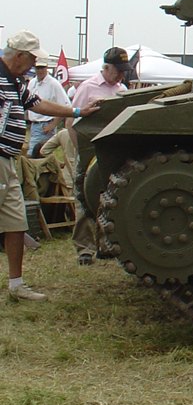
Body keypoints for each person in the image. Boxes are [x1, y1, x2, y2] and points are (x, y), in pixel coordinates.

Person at [1, 30, 100, 301]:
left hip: (8, 159)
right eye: (32, 60)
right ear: (20, 56)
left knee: (16, 222)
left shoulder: (16, 81)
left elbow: (39, 104)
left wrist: (77, 112)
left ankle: (16, 285)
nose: (34, 65)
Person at [70, 46, 130, 265]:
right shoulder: (88, 88)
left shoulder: (121, 89)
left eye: (124, 70)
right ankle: (84, 248)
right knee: (85, 196)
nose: (122, 74)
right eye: (119, 70)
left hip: (111, 153)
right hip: (89, 151)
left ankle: (106, 244)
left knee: (109, 196)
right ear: (106, 67)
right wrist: (80, 153)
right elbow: (72, 122)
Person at [27, 56, 71, 157]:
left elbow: (66, 106)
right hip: (34, 125)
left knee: (34, 156)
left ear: (47, 68)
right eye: (38, 68)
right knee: (38, 156)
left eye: (42, 68)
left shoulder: (53, 84)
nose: (40, 70)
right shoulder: (32, 82)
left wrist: (53, 125)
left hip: (45, 124)